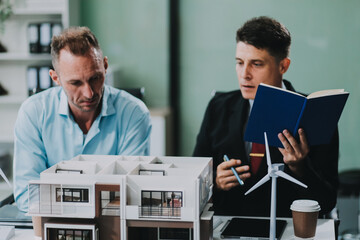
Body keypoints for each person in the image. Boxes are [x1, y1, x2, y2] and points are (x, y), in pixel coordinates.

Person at [193, 16, 338, 217]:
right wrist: (214, 182)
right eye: (239, 62)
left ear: (283, 66)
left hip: (289, 230)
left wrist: (300, 168)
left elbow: (327, 201)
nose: (244, 74)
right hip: (227, 227)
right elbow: (193, 182)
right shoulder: (218, 107)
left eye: (256, 64)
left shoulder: (317, 113)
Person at [13, 26, 152, 212]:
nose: (89, 93)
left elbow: (132, 192)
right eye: (76, 83)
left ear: (105, 66)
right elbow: (27, 195)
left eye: (95, 78)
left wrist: (63, 199)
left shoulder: (134, 113)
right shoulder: (33, 113)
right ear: (56, 78)